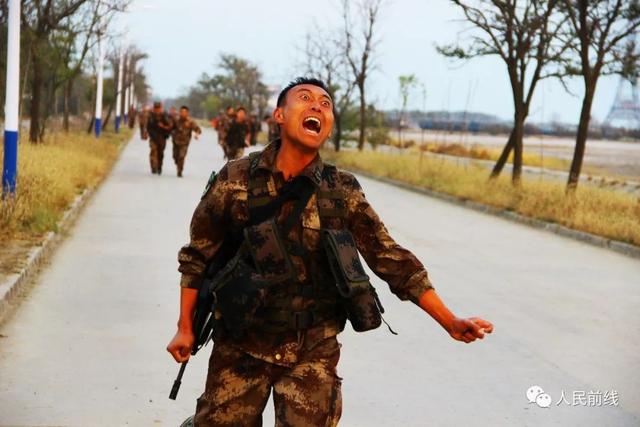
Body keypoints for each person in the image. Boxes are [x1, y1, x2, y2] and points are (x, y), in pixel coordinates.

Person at [167, 77, 493, 426]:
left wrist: (449, 320)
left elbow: (391, 259)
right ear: (279, 115)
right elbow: (197, 256)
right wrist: (185, 327)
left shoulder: (342, 190)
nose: (317, 107)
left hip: (313, 349)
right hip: (242, 342)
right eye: (304, 99)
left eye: (325, 104)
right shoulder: (235, 179)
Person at [172, 106, 202, 177]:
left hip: (184, 143)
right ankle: (178, 164)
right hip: (175, 142)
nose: (183, 114)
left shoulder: (190, 121)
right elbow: (170, 128)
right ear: (179, 112)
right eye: (181, 112)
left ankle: (180, 171)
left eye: (185, 112)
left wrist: (196, 134)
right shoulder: (176, 120)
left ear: (187, 113)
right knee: (175, 157)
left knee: (181, 156)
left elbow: (198, 129)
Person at [146, 101, 173, 175]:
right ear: (154, 108)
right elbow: (147, 126)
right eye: (156, 108)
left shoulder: (165, 115)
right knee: (153, 151)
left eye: (158, 108)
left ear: (161, 108)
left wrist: (163, 126)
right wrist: (146, 133)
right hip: (153, 138)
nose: (157, 110)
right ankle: (153, 167)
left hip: (162, 138)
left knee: (160, 153)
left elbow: (170, 126)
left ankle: (159, 167)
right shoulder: (150, 116)